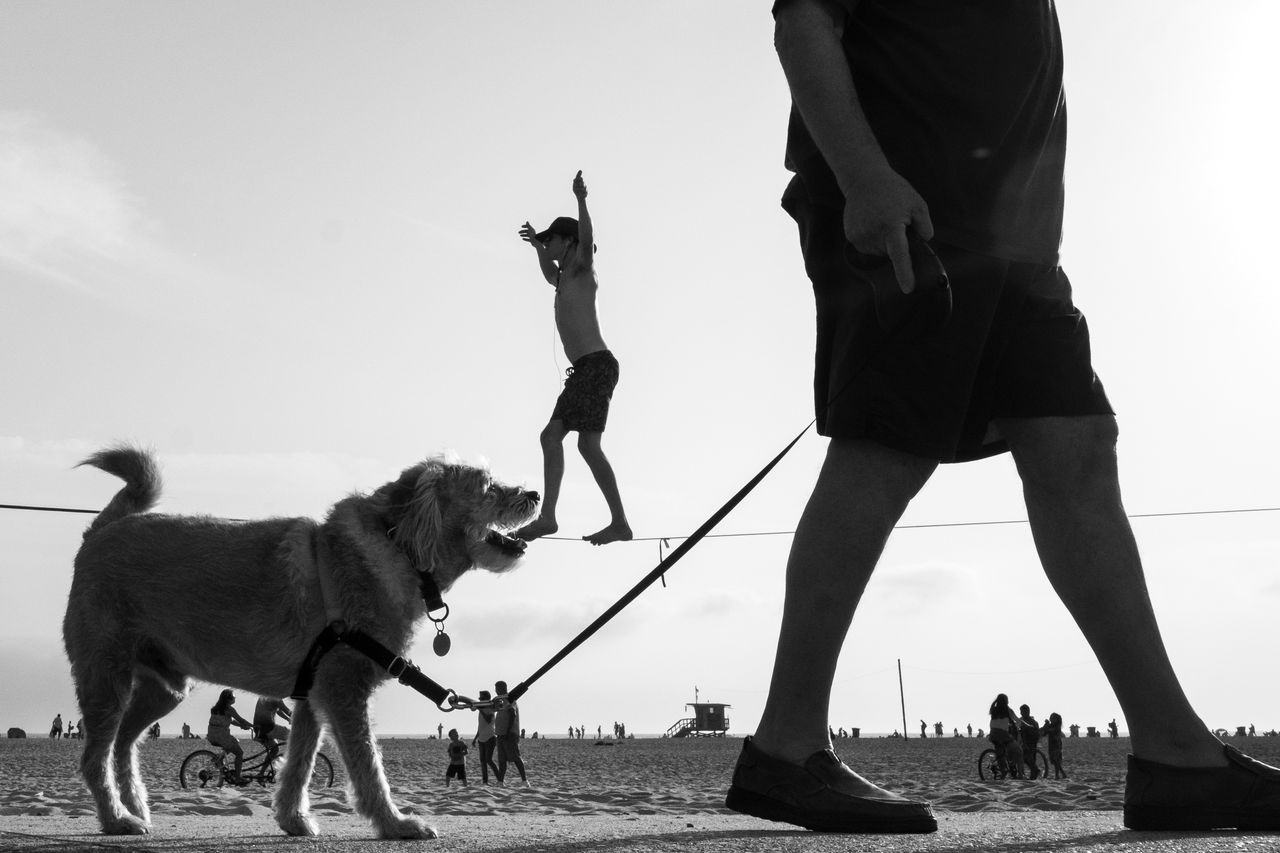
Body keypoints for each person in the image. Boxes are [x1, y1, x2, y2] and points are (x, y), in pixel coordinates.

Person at [726, 0, 1280, 835]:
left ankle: (1175, 753)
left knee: (1078, 445)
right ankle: (786, 743)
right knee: (884, 448)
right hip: (915, 209)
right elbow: (804, 20)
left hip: (1019, 240)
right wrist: (864, 177)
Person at [516, 170, 632, 547]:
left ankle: (616, 522)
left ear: (569, 242)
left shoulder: (582, 268)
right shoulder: (563, 277)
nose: (547, 244)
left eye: (552, 239)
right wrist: (536, 245)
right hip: (585, 370)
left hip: (596, 366)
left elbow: (588, 240)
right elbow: (549, 272)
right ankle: (552, 517)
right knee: (555, 437)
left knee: (583, 444)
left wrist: (581, 200)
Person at [207, 689, 253, 783]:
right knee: (239, 753)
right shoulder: (229, 709)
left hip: (212, 736)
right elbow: (241, 720)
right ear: (228, 699)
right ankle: (238, 778)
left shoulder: (216, 709)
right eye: (233, 697)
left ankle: (219, 759)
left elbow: (231, 721)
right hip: (222, 737)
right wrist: (254, 726)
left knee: (235, 741)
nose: (235, 698)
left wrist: (241, 726)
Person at [493, 680, 527, 785]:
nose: (496, 690)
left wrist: (508, 731)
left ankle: (525, 781)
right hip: (500, 734)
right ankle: (500, 781)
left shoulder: (509, 698)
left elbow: (512, 714)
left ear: (503, 688)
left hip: (509, 734)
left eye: (497, 688)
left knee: (516, 757)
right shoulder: (500, 700)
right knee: (502, 760)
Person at [986, 694, 1021, 779]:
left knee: (1000, 751)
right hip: (1003, 734)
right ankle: (1011, 765)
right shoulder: (1007, 709)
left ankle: (1003, 770)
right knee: (1018, 750)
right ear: (1006, 701)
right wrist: (1026, 725)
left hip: (993, 734)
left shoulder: (993, 709)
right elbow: (1017, 720)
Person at [471, 690, 500, 784]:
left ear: (486, 698)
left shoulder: (491, 709)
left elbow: (488, 720)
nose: (479, 699)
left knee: (489, 760)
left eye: (481, 698)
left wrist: (480, 710)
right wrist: (475, 738)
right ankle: (485, 782)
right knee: (483, 761)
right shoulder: (481, 710)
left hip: (490, 737)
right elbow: (480, 726)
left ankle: (500, 778)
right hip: (481, 739)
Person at [253, 697, 292, 762]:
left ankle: (262, 772)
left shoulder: (264, 696)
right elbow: (287, 711)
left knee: (275, 750)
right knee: (296, 737)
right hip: (269, 728)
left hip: (259, 730)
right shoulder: (276, 697)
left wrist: (287, 719)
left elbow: (278, 711)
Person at [1019, 705, 1042, 780]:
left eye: (1023, 711)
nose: (1021, 713)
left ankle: (1035, 772)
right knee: (1028, 759)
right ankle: (1034, 773)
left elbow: (1036, 734)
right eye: (1021, 711)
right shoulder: (1022, 720)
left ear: (1027, 711)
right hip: (1025, 742)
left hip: (1030, 742)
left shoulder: (1032, 722)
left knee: (1029, 758)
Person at [1043, 712, 1067, 779]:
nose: (1051, 719)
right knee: (1054, 761)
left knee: (1056, 760)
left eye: (1052, 718)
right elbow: (1044, 733)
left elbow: (1050, 731)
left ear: (1056, 719)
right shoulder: (1051, 725)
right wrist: (1046, 725)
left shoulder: (1057, 726)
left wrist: (1047, 726)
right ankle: (1063, 774)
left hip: (1056, 744)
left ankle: (1057, 775)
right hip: (1051, 744)